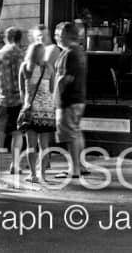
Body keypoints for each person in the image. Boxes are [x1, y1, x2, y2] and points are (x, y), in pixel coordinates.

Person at [17, 31, 60, 182]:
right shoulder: (49, 68)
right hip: (47, 111)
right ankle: (43, 175)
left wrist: (26, 104)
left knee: (31, 145)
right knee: (44, 145)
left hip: (31, 109)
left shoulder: (24, 67)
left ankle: (33, 175)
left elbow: (22, 91)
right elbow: (52, 89)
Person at [0, 27, 27, 180]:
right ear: (20, 39)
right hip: (19, 100)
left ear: (5, 38)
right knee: (17, 133)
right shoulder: (24, 56)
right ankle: (15, 165)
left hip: (0, 99)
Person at [54, 20, 88, 177]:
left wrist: (56, 95)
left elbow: (66, 78)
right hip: (79, 98)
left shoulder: (69, 53)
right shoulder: (79, 51)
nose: (56, 37)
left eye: (59, 34)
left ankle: (73, 169)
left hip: (69, 99)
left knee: (70, 134)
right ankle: (80, 166)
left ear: (67, 35)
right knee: (76, 132)